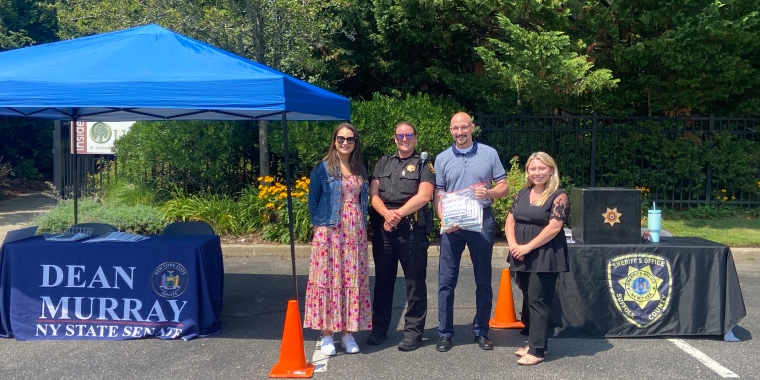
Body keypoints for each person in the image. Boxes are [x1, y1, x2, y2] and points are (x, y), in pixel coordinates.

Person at [433, 112, 509, 352]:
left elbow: (504, 187)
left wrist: (489, 193)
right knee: (446, 280)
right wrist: (444, 219)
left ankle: (482, 331)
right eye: (455, 128)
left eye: (464, 127)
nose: (460, 132)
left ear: (472, 128)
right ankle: (445, 333)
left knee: (483, 278)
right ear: (450, 130)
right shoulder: (442, 158)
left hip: (480, 220)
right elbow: (438, 194)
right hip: (453, 224)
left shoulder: (489, 154)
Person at [304, 123, 372, 356]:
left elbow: (364, 201)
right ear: (334, 141)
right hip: (329, 233)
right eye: (341, 139)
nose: (345, 143)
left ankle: (347, 333)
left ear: (355, 142)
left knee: (350, 280)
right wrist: (320, 228)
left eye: (350, 139)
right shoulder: (322, 169)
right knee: (328, 281)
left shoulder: (360, 168)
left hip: (354, 233)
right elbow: (313, 202)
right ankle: (326, 334)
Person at [367, 121, 435, 351]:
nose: (404, 139)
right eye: (400, 135)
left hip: (411, 230)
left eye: (408, 135)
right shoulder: (383, 162)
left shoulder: (424, 164)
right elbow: (373, 194)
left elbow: (425, 196)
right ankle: (379, 329)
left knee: (414, 282)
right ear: (394, 138)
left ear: (415, 138)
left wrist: (397, 215)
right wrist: (386, 214)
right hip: (384, 229)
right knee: (383, 282)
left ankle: (413, 333)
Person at [505, 152, 569, 366]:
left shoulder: (559, 196)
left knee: (538, 301)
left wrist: (527, 247)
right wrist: (513, 244)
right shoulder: (524, 192)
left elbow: (554, 227)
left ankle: (538, 351)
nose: (537, 172)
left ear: (551, 170)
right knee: (528, 298)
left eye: (542, 168)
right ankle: (534, 342)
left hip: (543, 254)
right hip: (521, 253)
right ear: (528, 171)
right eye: (533, 169)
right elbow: (510, 220)